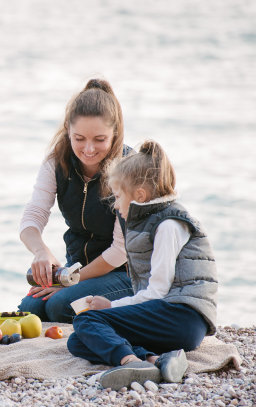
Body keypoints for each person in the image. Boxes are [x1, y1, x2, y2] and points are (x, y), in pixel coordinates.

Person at [67, 140, 218, 390]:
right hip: (173, 319)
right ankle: (154, 360)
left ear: (139, 195)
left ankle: (130, 362)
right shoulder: (155, 220)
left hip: (183, 315)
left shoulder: (168, 225)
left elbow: (157, 292)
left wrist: (111, 305)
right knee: (78, 341)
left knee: (88, 321)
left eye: (117, 197)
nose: (115, 205)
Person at [18, 78, 133, 323]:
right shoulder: (56, 162)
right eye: (79, 138)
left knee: (60, 305)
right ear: (68, 131)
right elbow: (33, 216)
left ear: (115, 134)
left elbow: (120, 252)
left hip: (126, 274)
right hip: (76, 268)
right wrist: (42, 251)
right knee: (31, 308)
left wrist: (71, 282)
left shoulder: (128, 169)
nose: (88, 149)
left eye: (99, 139)